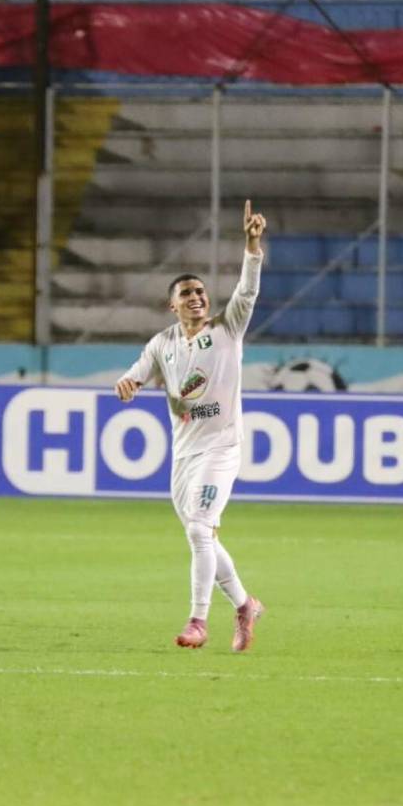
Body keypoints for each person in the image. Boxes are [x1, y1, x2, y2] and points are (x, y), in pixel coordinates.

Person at [115, 200, 267, 652]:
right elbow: (138, 371)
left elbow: (247, 292)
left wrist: (252, 245)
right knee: (201, 535)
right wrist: (127, 382)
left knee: (201, 530)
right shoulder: (162, 343)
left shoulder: (227, 328)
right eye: (187, 293)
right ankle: (244, 605)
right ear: (172, 304)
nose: (197, 297)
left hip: (221, 449)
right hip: (184, 455)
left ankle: (198, 620)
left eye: (201, 291)